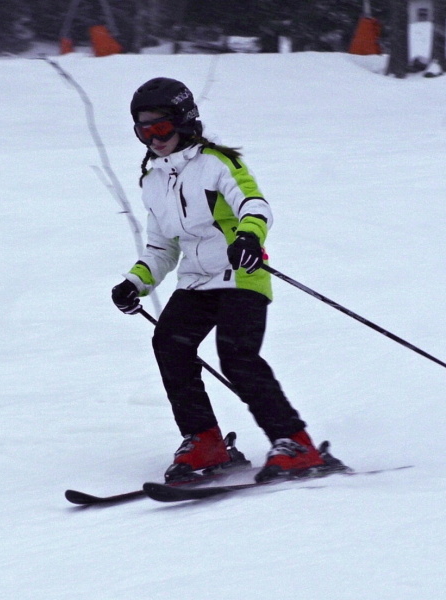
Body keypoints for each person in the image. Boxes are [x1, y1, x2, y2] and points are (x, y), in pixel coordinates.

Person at [111, 77, 346, 483]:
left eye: (160, 127)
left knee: (237, 356)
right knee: (169, 344)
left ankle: (295, 444)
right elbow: (162, 247)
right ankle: (204, 440)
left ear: (184, 121)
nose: (153, 139)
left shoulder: (217, 163)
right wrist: (135, 282)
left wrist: (249, 237)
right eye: (143, 130)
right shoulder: (153, 181)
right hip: (196, 282)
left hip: (241, 274)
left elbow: (254, 204)